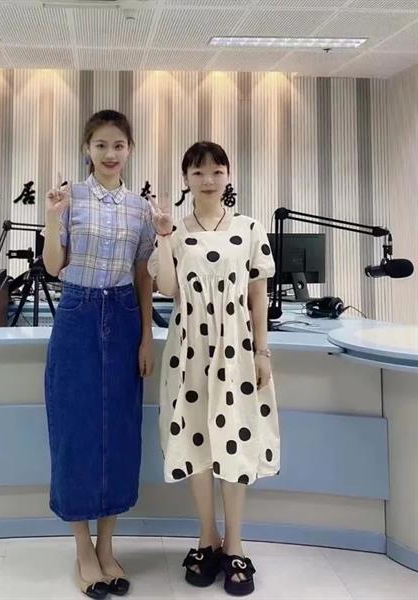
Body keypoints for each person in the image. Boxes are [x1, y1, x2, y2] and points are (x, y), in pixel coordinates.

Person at [147, 141, 280, 596]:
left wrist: (262, 352)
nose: (208, 179)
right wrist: (163, 235)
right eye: (199, 172)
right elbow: (167, 288)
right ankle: (207, 538)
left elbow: (258, 294)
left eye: (217, 171)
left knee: (235, 439)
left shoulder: (249, 228)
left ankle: (235, 544)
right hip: (188, 349)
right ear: (186, 178)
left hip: (236, 349)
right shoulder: (176, 231)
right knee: (196, 439)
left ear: (228, 176)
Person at [42, 110, 156, 599]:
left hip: (125, 315)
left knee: (119, 430)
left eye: (119, 145)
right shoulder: (69, 198)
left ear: (130, 150)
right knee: (75, 429)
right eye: (101, 145)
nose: (111, 154)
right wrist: (52, 218)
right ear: (87, 149)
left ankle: (108, 546)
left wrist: (146, 337)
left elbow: (144, 274)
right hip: (78, 313)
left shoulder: (140, 209)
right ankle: (82, 549)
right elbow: (53, 266)